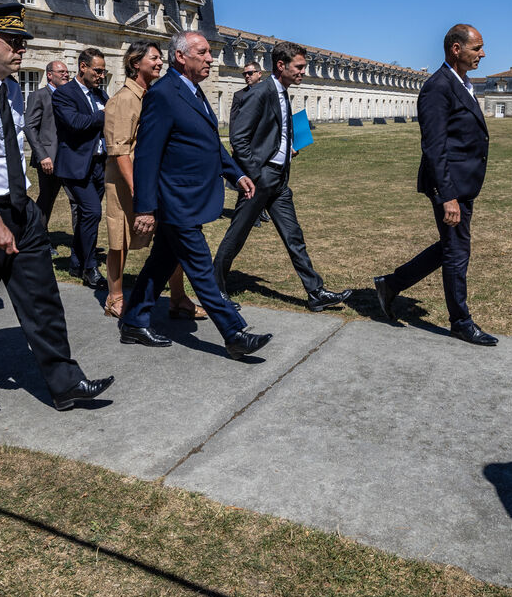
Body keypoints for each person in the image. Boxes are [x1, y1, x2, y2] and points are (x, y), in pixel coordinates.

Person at [0, 3, 112, 413]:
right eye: (13, 41)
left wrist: (20, 212)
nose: (21, 49)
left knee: (42, 296)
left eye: (22, 42)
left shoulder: (11, 89)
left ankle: (66, 383)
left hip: (20, 206)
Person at [116, 31, 272, 359]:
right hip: (177, 201)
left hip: (191, 197)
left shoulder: (193, 90)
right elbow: (146, 155)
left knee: (161, 262)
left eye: (209, 52)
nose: (211, 58)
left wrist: (236, 173)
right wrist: (145, 208)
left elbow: (209, 142)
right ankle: (233, 332)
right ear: (181, 56)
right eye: (202, 52)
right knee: (201, 267)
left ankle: (133, 320)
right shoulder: (163, 94)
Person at [372, 24, 497, 346]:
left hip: (463, 183)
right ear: (456, 49)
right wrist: (447, 197)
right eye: (477, 48)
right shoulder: (438, 87)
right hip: (449, 185)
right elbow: (434, 147)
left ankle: (391, 284)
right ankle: (461, 322)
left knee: (451, 247)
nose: (482, 54)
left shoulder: (462, 83)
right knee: (457, 251)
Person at [215, 41, 352, 312]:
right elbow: (238, 138)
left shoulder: (283, 93)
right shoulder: (260, 93)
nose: (303, 71)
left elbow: (273, 132)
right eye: (299, 67)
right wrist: (256, 173)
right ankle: (214, 289)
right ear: (281, 65)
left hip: (279, 180)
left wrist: (286, 149)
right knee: (237, 235)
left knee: (294, 236)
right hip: (261, 179)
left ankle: (315, 292)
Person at [102, 40, 204, 320]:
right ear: (136, 63)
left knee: (171, 239)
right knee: (119, 240)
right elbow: (120, 152)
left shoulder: (153, 95)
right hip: (126, 182)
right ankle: (115, 298)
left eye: (160, 59)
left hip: (155, 181)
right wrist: (140, 193)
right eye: (154, 58)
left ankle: (178, 299)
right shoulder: (123, 100)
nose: (160, 63)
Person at [52, 48, 109, 289]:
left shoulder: (101, 94)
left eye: (103, 71)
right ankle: (90, 267)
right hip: (76, 166)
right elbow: (75, 123)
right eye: (98, 71)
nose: (101, 76)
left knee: (88, 216)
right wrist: (105, 114)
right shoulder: (64, 94)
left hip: (99, 164)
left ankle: (76, 262)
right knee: (93, 212)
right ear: (83, 67)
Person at [23, 59, 74, 257]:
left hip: (69, 158)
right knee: (46, 199)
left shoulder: (70, 95)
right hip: (49, 160)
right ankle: (39, 239)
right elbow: (30, 127)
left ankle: (81, 245)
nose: (66, 74)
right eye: (61, 72)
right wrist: (42, 155)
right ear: (50, 75)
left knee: (77, 200)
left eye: (67, 72)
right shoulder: (39, 96)